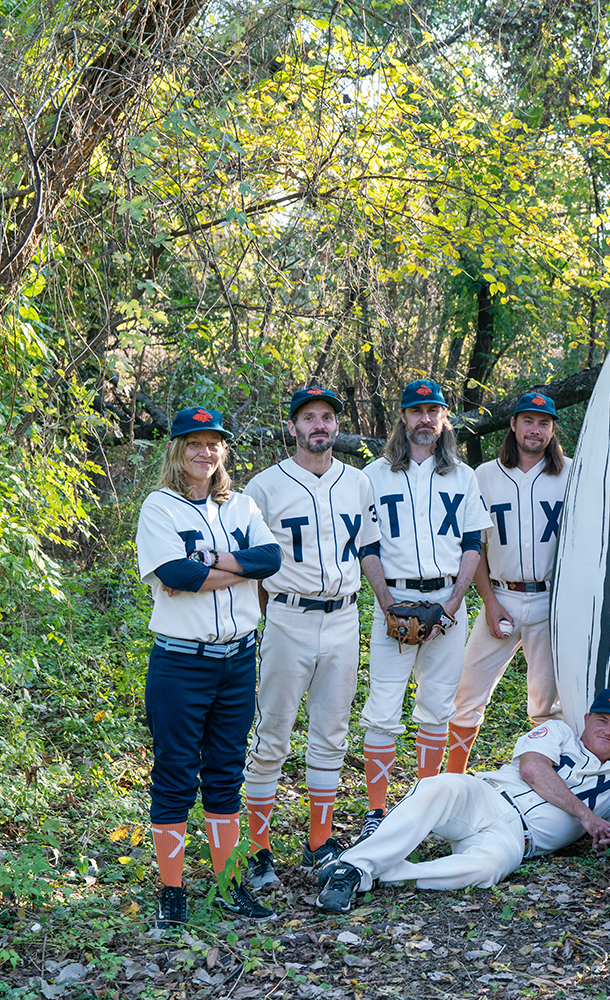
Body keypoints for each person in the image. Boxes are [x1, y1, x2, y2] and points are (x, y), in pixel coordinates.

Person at [135, 407, 283, 928]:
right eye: (194, 443)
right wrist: (228, 567)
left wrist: (204, 563)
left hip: (238, 658)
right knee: (175, 774)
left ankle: (225, 885)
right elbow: (174, 572)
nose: (205, 452)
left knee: (225, 773)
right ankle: (171, 893)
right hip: (181, 663)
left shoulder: (240, 505)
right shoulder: (160, 507)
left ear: (223, 450)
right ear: (176, 450)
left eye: (214, 443)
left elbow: (271, 560)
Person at [314, 690, 610, 911]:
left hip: (518, 840)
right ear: (587, 719)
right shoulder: (559, 732)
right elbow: (531, 769)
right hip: (486, 797)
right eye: (602, 720)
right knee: (439, 787)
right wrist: (586, 816)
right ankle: (353, 868)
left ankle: (383, 874)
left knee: (487, 869)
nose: (608, 730)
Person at [239, 387, 380, 889]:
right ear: (293, 426)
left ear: (337, 426)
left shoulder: (357, 482)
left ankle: (320, 841)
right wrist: (262, 620)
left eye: (326, 417)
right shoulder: (264, 486)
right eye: (308, 418)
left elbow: (367, 550)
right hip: (288, 615)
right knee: (271, 732)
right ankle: (257, 850)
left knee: (331, 732)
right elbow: (250, 566)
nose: (318, 425)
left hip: (343, 616)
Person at [357, 379, 493, 841]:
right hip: (394, 601)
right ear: (402, 416)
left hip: (446, 603)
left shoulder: (463, 475)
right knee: (382, 710)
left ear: (443, 418)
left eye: (433, 410)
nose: (425, 419)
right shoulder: (373, 475)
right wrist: (388, 604)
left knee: (437, 707)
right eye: (416, 410)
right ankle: (377, 811)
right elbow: (367, 545)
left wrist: (454, 603)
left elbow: (474, 541)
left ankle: (424, 803)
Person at [446, 391, 570, 772]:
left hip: (552, 600)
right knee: (467, 691)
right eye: (528, 421)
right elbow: (476, 546)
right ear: (513, 424)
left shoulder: (572, 472)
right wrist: (489, 601)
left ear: (552, 430)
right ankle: (453, 778)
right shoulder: (484, 474)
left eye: (543, 423)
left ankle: (551, 778)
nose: (535, 429)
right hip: (500, 593)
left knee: (547, 704)